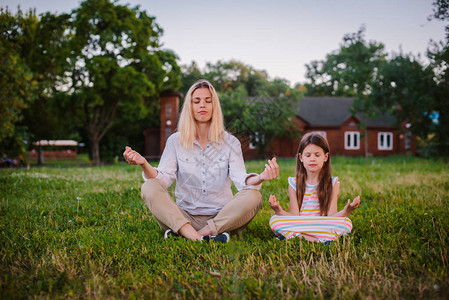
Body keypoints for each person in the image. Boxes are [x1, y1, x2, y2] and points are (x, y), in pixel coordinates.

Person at [123, 79, 279, 243]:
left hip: (223, 217)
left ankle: (194, 234)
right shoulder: (175, 141)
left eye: (207, 101)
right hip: (183, 216)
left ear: (214, 106)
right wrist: (143, 163)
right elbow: (162, 180)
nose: (202, 105)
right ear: (189, 107)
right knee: (149, 186)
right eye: (196, 101)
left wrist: (260, 177)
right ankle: (198, 235)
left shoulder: (231, 142)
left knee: (253, 196)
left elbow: (241, 180)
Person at [268, 132, 360, 243]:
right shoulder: (293, 184)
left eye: (317, 155)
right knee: (274, 220)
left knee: (346, 223)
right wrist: (278, 210)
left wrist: (346, 211)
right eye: (308, 155)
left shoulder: (332, 183)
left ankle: (295, 236)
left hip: (322, 223)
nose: (312, 159)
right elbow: (294, 217)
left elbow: (331, 217)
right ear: (301, 158)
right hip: (301, 223)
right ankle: (320, 240)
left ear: (325, 157)